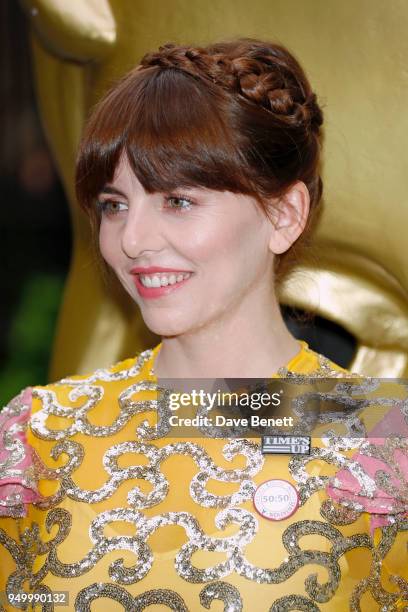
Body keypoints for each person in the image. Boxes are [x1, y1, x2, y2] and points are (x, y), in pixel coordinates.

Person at [0, 39, 406, 611]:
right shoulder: (38, 438)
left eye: (178, 201)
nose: (132, 240)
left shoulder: (383, 438)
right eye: (115, 204)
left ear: (283, 216)